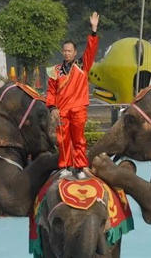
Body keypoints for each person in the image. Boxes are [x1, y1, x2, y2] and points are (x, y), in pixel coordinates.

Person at [46, 12, 99, 178]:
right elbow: (51, 91)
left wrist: (94, 30)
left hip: (78, 108)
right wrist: (52, 107)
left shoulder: (82, 66)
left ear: (75, 52)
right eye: (65, 51)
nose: (67, 53)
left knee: (79, 139)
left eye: (70, 51)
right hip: (62, 110)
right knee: (63, 140)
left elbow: (91, 49)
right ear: (62, 52)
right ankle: (66, 167)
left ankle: (80, 167)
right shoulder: (55, 70)